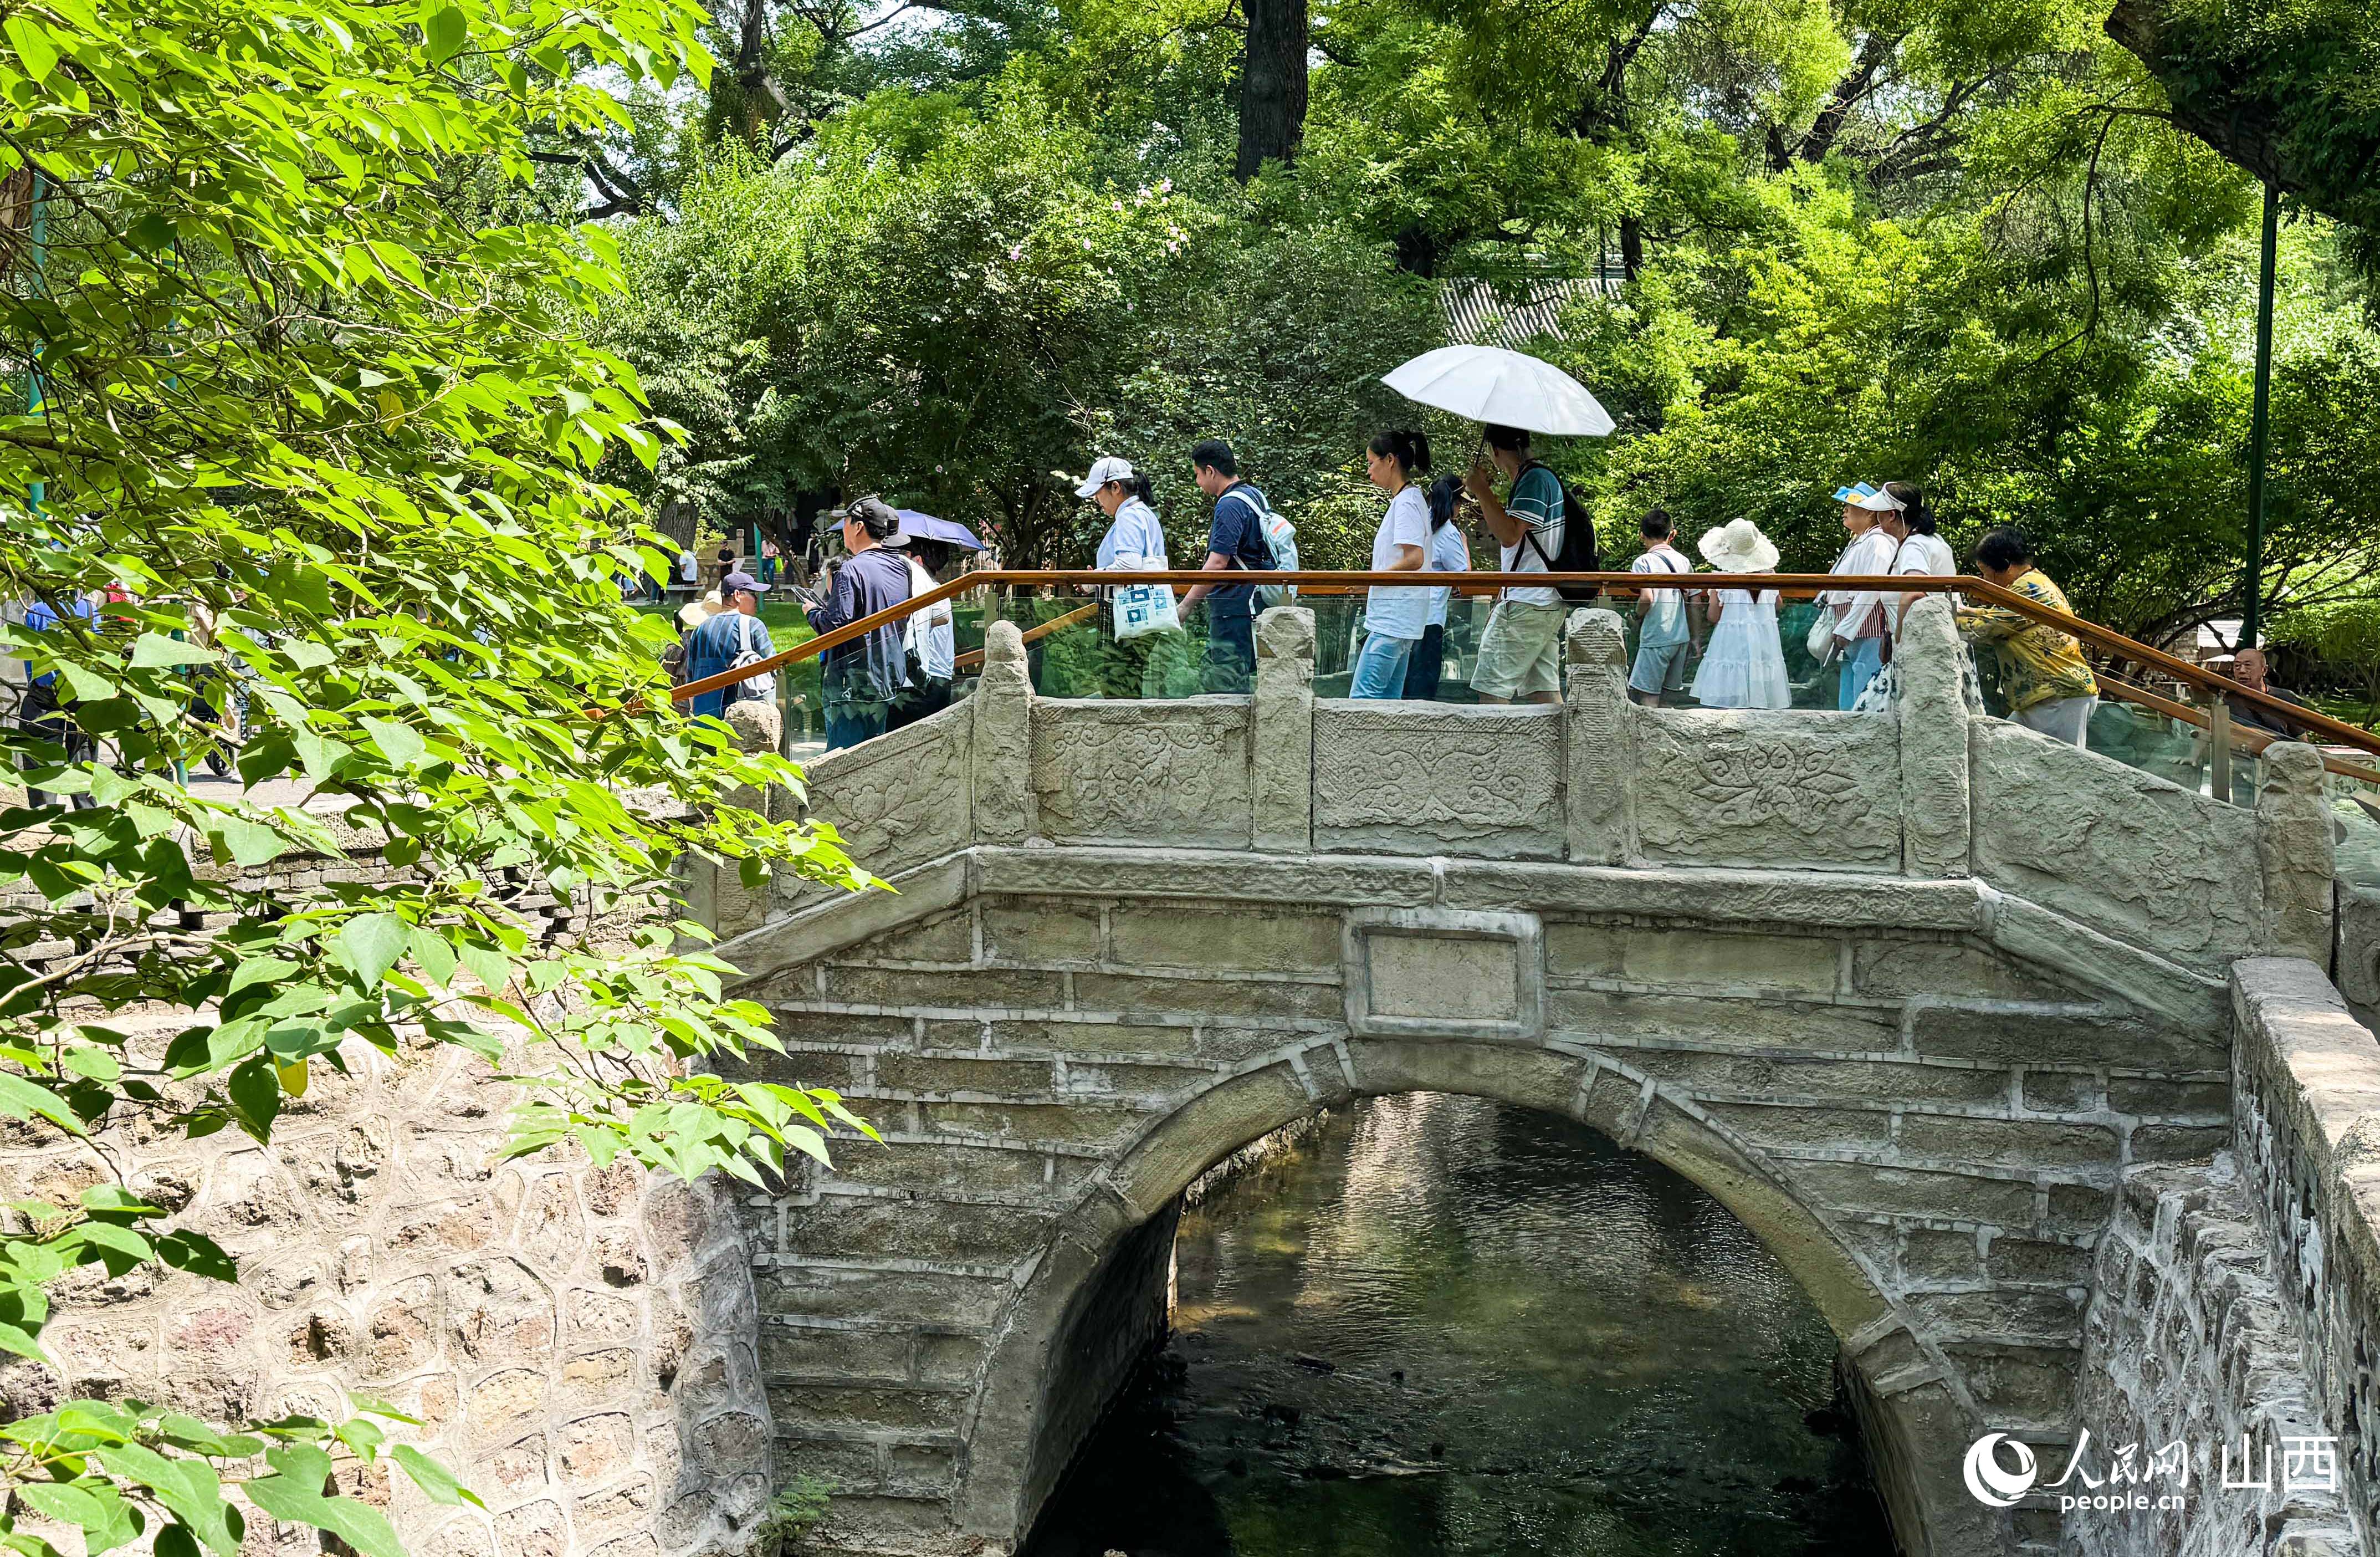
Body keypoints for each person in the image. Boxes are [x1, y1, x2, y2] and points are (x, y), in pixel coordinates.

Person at [1958, 526, 2099, 746]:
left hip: (2057, 694)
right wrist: (1963, 610)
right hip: (2042, 697)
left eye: (1986, 573)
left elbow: (1987, 625)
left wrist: (1940, 614)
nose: (1985, 580)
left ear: (2004, 565)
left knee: (2061, 768)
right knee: (2000, 749)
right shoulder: (2030, 585)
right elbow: (1995, 616)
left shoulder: (2031, 590)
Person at [1463, 424, 1569, 705]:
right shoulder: (1540, 478)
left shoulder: (1533, 480)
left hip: (1528, 603)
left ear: (1495, 451)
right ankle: (1565, 750)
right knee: (1543, 694)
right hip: (1542, 602)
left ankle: (1496, 750)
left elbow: (1510, 535)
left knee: (1492, 688)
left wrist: (1482, 491)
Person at [802, 497, 914, 749]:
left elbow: (835, 627)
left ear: (859, 527)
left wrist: (812, 613)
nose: (843, 528)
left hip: (850, 688)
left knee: (841, 761)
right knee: (875, 758)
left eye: (846, 522)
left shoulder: (851, 570)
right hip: (888, 679)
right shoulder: (901, 568)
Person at [1176, 440, 1275, 693]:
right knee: (1241, 678)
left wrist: (1186, 605)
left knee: (1224, 683)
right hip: (1253, 602)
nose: (1198, 482)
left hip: (1233, 607)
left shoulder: (1229, 504)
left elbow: (1218, 562)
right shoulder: (1255, 496)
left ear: (1211, 471)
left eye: (1198, 475)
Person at [1083, 456, 1178, 700]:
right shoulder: (1142, 513)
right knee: (1130, 681)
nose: (1096, 500)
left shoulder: (1129, 516)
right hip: (1143, 614)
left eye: (1098, 493)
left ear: (1116, 488)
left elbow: (1129, 565)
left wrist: (1092, 579)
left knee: (1118, 685)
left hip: (1128, 616)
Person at [1350, 431, 1433, 698]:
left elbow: (1414, 558)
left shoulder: (1407, 503)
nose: (1368, 471)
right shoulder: (1409, 499)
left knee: (1362, 701)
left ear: (1390, 460)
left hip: (1392, 621)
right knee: (1388, 703)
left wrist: (1371, 579)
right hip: (1400, 618)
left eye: (1371, 462)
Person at [1690, 520, 1790, 709]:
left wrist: (1714, 594)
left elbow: (1713, 616)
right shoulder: (1770, 576)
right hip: (1763, 639)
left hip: (1732, 641)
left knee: (1732, 677)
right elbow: (1778, 605)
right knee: (1760, 673)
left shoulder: (1723, 580)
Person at [1823, 485, 1902, 708]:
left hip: (1867, 628)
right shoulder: (1860, 541)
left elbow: (1872, 588)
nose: (1845, 510)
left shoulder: (1878, 542)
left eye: (1851, 506)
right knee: (1851, 689)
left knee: (1866, 689)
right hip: (1851, 627)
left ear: (1869, 513)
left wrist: (1848, 627)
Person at [18, 591, 97, 809]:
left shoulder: (36, 610)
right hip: (82, 693)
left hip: (45, 692)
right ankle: (87, 810)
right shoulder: (90, 610)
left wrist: (33, 684)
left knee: (39, 752)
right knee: (83, 755)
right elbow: (98, 651)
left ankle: (43, 811)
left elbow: (30, 655)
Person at [1404, 474, 1471, 700]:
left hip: (1405, 614)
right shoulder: (1450, 533)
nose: (1461, 508)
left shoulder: (1417, 522)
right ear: (1454, 502)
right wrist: (1464, 544)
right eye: (1460, 503)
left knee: (1403, 681)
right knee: (1423, 684)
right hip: (1430, 619)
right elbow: (1465, 576)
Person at [1627, 509, 1696, 707]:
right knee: (1667, 699)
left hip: (1656, 637)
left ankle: (1649, 738)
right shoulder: (1684, 562)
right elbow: (1694, 601)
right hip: (1681, 637)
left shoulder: (1643, 562)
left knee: (1648, 696)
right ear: (1672, 534)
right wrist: (1696, 637)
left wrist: (1636, 617)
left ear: (1641, 535)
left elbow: (1647, 598)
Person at [680, 573, 772, 722]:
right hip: (743, 724)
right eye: (753, 594)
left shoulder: (700, 629)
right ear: (737, 595)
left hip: (704, 721)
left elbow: (690, 676)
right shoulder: (753, 626)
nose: (756, 599)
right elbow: (772, 666)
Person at [889, 536, 957, 731]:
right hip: (941, 680)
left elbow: (939, 619)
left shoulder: (925, 591)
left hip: (925, 681)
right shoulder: (940, 590)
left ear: (917, 561)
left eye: (907, 556)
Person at [1885, 482, 1956, 630]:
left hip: (1920, 643)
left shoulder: (1914, 545)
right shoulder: (1935, 540)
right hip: (1939, 635)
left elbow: (1914, 593)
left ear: (1891, 515)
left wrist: (1899, 635)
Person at [2226, 647, 2318, 737]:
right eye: (2237, 666)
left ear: (2264, 670)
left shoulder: (2285, 697)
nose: (2242, 671)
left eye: (2248, 666)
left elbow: (2300, 737)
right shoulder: (2228, 699)